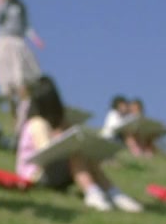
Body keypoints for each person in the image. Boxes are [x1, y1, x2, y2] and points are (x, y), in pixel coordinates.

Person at [16, 76, 143, 213]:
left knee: (87, 157)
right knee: (76, 157)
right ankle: (93, 193)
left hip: (45, 173)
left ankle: (113, 193)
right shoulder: (37, 123)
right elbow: (45, 153)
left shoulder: (43, 123)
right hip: (34, 176)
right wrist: (61, 138)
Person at [0, 0, 45, 120]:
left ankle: (27, 114)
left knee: (23, 81)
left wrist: (35, 39)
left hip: (18, 43)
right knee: (7, 85)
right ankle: (13, 117)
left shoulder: (19, 6)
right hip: (3, 44)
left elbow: (26, 26)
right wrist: (2, 2)